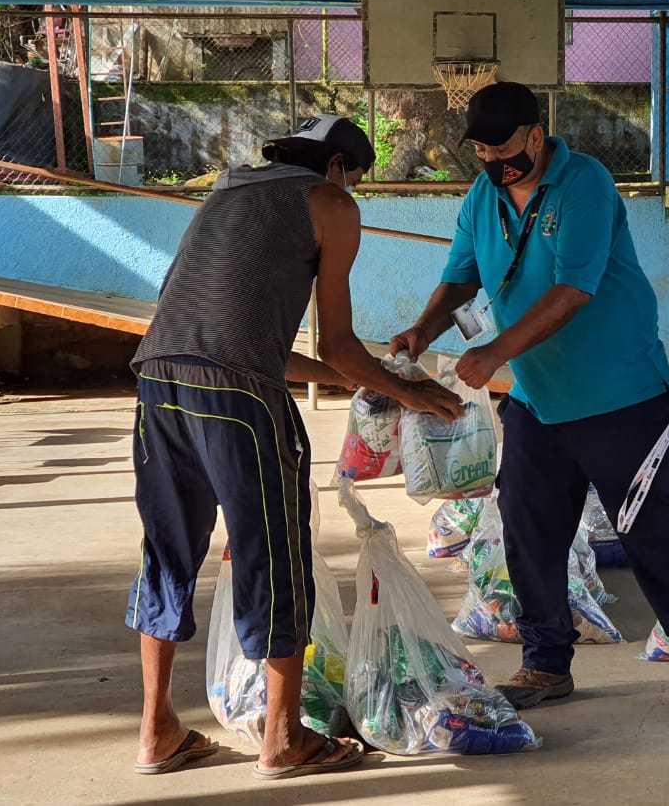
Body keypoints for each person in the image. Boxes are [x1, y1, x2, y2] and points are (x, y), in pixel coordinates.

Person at [391, 82, 669, 711]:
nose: (493, 162)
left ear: (536, 135)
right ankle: (545, 664)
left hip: (621, 393)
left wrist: (495, 351)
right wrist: (423, 329)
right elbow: (460, 274)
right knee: (528, 529)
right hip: (538, 397)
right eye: (480, 149)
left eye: (504, 148)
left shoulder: (584, 183)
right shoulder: (483, 195)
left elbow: (573, 290)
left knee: (653, 528)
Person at [127, 115, 463, 778]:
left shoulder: (225, 195)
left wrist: (368, 381)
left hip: (159, 380)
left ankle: (157, 729)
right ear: (339, 167)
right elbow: (336, 345)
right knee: (274, 556)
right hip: (239, 403)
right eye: (356, 177)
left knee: (167, 555)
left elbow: (254, 349)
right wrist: (414, 394)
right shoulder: (331, 203)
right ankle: (284, 738)